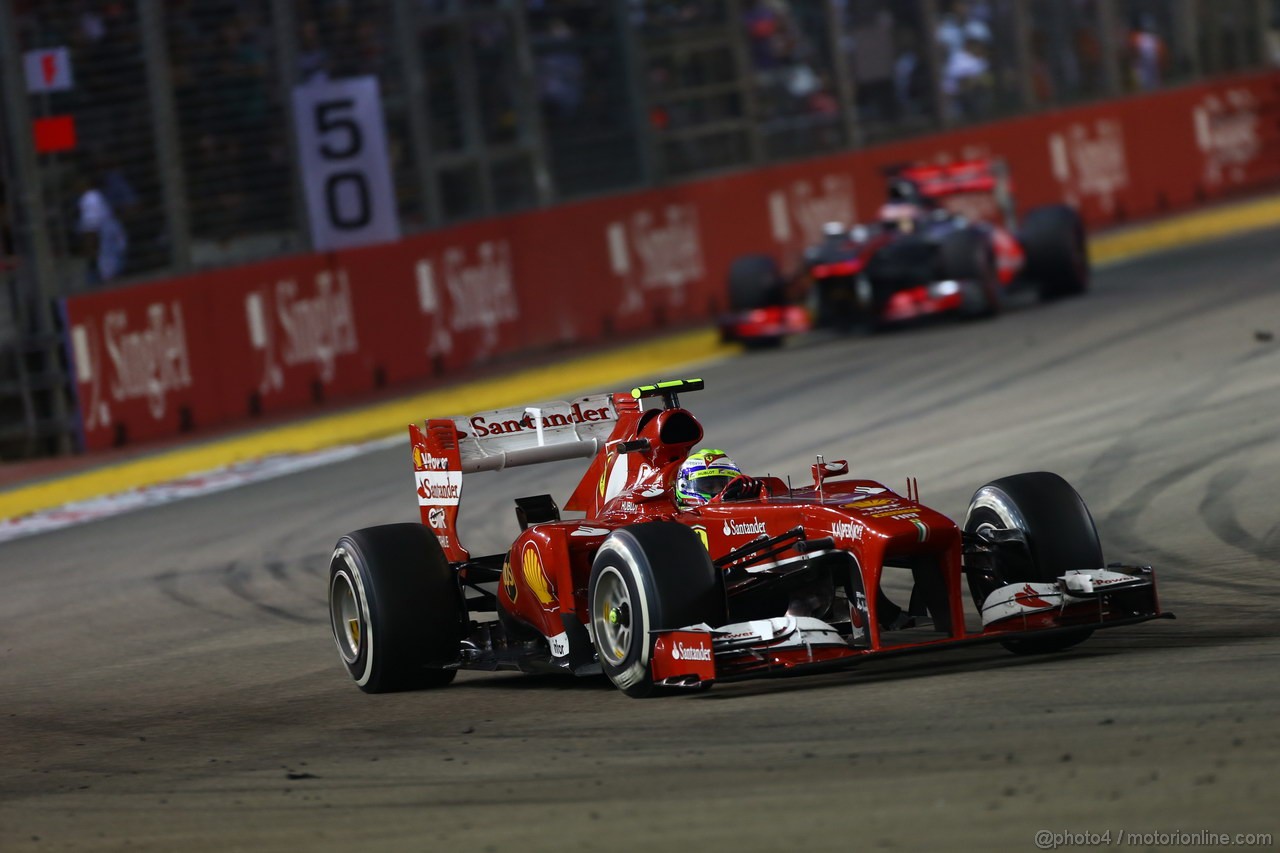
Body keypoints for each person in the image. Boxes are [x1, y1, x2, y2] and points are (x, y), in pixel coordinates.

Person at [676, 449, 743, 507]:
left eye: (724, 486)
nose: (719, 491)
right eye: (708, 486)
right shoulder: (672, 520)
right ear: (683, 485)